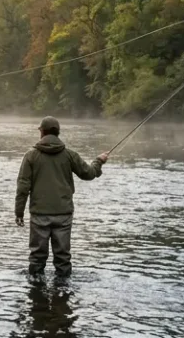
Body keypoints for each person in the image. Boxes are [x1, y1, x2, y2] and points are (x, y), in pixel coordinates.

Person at [15, 116, 109, 278]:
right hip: (63, 214)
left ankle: (37, 293)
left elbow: (23, 187)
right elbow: (88, 173)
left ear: (42, 132)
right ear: (58, 132)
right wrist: (99, 161)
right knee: (63, 258)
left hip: (39, 214)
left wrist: (19, 212)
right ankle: (63, 293)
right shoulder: (69, 155)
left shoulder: (30, 156)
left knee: (37, 258)